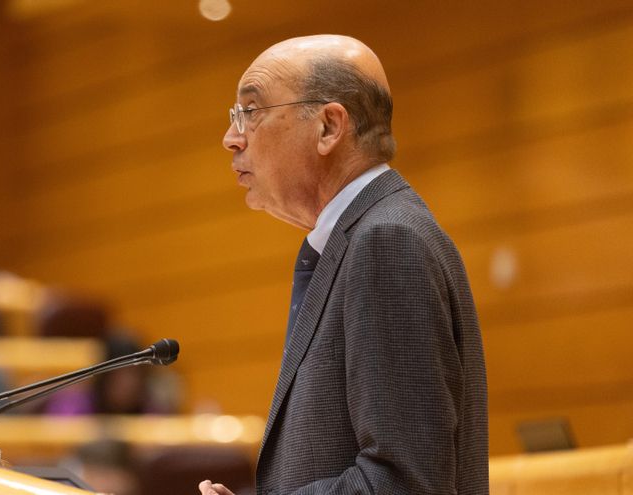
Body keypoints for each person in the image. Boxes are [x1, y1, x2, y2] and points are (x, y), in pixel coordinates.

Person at [199, 35, 488, 494]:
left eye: (250, 113)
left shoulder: (387, 242)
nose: (231, 138)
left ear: (329, 127)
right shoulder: (364, 237)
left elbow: (405, 483)